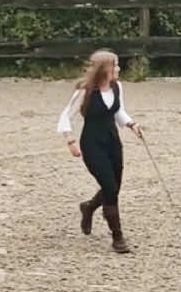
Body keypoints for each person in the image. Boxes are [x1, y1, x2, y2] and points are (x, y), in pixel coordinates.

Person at [57, 49, 142, 254]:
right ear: (105, 69)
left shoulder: (117, 87)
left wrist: (132, 124)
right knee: (110, 188)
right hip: (92, 144)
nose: (119, 69)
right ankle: (118, 237)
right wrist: (70, 141)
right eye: (116, 65)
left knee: (113, 186)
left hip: (113, 142)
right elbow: (65, 116)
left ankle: (89, 207)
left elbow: (118, 112)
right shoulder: (85, 91)